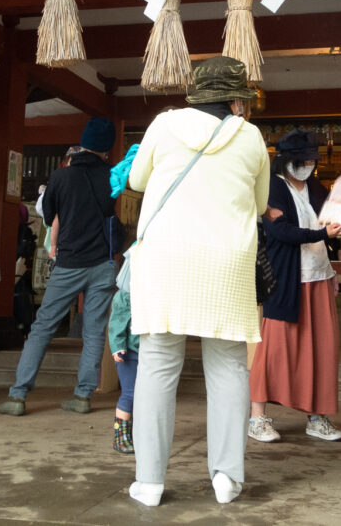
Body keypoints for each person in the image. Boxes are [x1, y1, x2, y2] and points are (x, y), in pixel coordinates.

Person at [126, 56, 270, 507]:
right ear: (235, 100)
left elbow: (134, 179)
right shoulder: (250, 136)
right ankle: (227, 477)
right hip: (226, 262)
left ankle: (149, 482)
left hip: (166, 260)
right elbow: (262, 203)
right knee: (228, 365)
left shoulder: (163, 125)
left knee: (156, 363)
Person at [0, 117, 118, 417]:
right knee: (94, 332)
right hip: (103, 264)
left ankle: (19, 395)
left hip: (70, 262)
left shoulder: (62, 177)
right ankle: (83, 395)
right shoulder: (112, 178)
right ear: (106, 149)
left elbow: (49, 215)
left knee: (42, 328)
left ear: (82, 143)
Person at [248, 129, 341, 444]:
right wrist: (322, 235)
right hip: (286, 280)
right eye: (302, 159)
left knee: (322, 348)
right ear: (287, 161)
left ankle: (317, 418)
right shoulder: (272, 190)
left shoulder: (316, 188)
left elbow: (329, 222)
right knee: (275, 349)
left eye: (311, 160)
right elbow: (281, 232)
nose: (308, 164)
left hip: (319, 276)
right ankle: (257, 418)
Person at [108, 250, 138, 454]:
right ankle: (120, 435)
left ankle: (136, 433)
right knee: (130, 393)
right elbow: (117, 322)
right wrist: (118, 346)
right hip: (128, 352)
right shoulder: (124, 297)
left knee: (143, 394)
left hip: (145, 350)